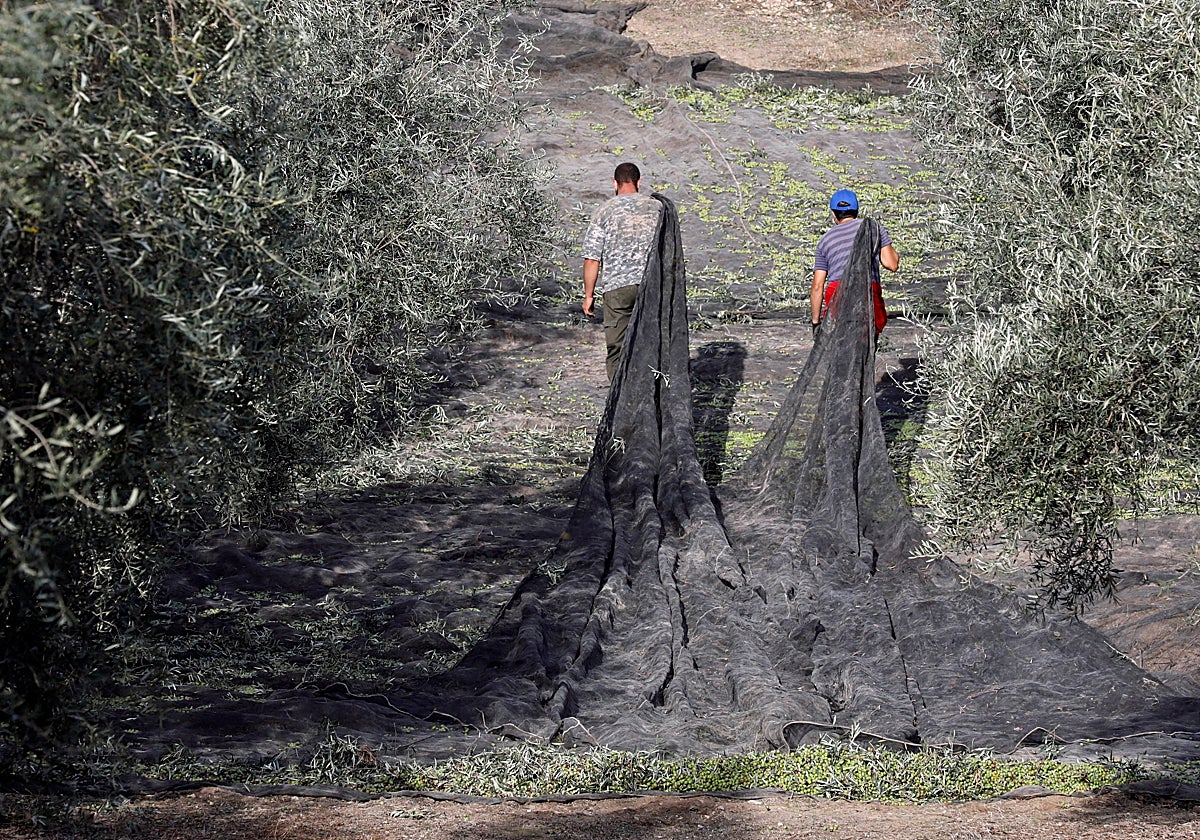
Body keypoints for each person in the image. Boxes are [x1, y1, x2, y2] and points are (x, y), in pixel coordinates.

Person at [581, 162, 664, 381]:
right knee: (650, 343)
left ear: (614, 183)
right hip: (652, 285)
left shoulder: (604, 211)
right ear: (639, 182)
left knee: (617, 348)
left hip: (617, 289)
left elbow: (592, 259)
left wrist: (589, 296)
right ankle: (650, 391)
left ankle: (620, 395)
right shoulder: (657, 208)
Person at [810, 189, 899, 336]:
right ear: (856, 211)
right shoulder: (872, 229)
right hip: (867, 290)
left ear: (833, 214)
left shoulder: (825, 240)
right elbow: (892, 264)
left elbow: (817, 286)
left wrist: (815, 323)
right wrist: (883, 238)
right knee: (867, 338)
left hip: (837, 294)